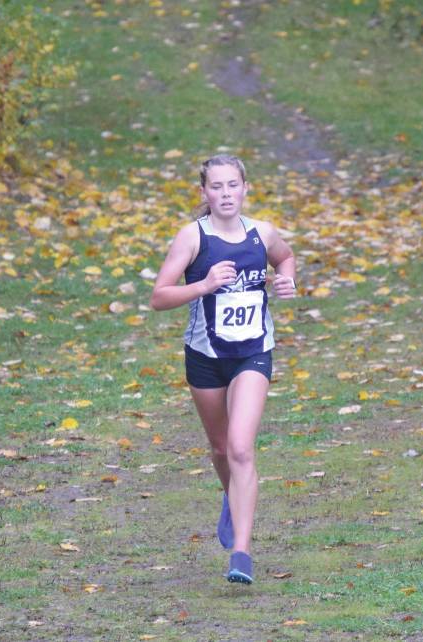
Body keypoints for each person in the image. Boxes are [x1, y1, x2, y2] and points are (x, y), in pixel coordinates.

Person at [150, 154, 297, 585]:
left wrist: (288, 281)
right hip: (205, 357)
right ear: (204, 193)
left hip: (253, 352)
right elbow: (159, 296)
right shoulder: (192, 238)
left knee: (239, 447)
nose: (226, 193)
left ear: (245, 188)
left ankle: (241, 553)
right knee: (219, 449)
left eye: (233, 185)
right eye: (217, 186)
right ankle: (232, 499)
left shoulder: (262, 232)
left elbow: (285, 259)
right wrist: (204, 285)